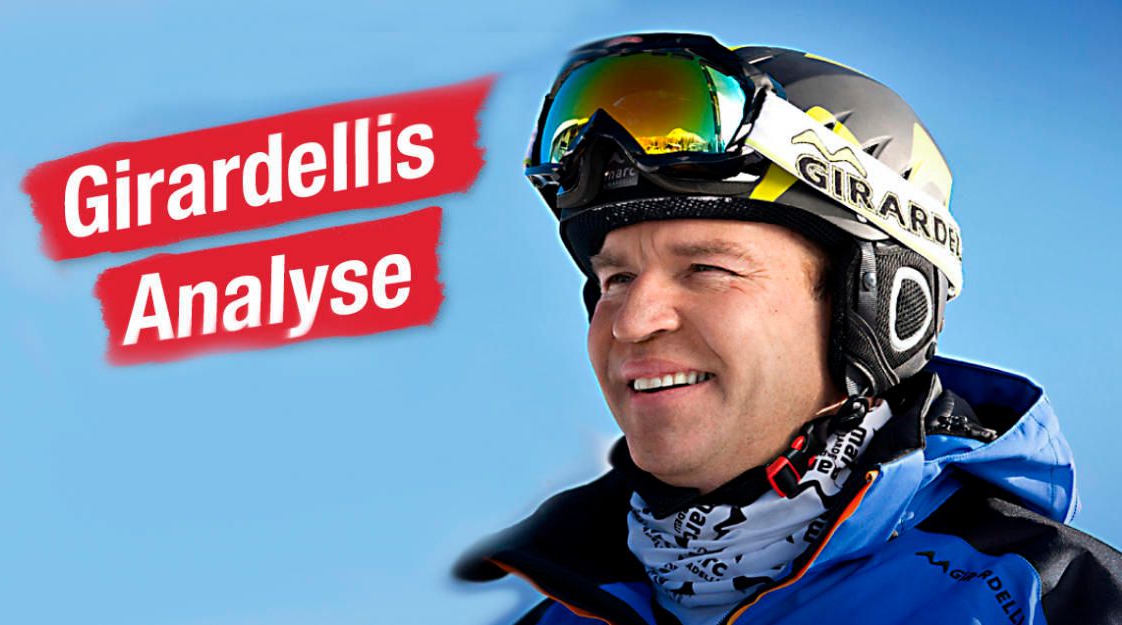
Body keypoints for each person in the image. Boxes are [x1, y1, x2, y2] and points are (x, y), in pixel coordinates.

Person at [454, 32, 1122, 625]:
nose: (631, 322)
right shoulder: (557, 610)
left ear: (882, 308)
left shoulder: (1053, 603)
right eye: (617, 278)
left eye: (706, 268)